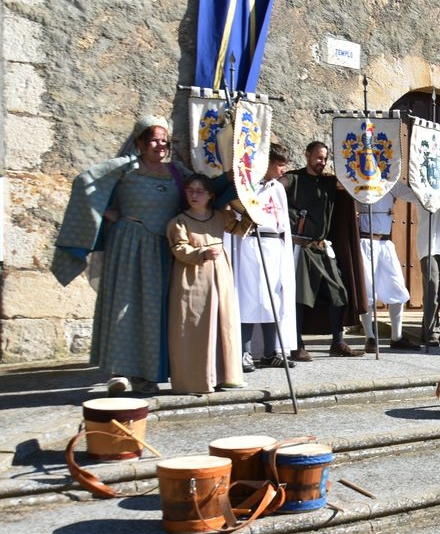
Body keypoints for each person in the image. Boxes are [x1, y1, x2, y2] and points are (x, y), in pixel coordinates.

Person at [53, 115, 186, 396]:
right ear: (140, 142)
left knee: (155, 311)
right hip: (129, 244)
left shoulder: (177, 172)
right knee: (124, 306)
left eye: (165, 141)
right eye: (154, 140)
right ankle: (120, 372)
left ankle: (146, 375)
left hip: (163, 249)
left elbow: (204, 188)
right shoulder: (125, 167)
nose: (160, 146)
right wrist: (108, 213)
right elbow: (85, 182)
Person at [284, 141, 367, 360]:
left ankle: (337, 343)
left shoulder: (329, 182)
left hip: (322, 248)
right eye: (318, 157)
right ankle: (296, 345)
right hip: (301, 248)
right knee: (300, 298)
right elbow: (275, 190)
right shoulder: (294, 179)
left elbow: (353, 185)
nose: (322, 162)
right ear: (307, 155)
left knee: (339, 294)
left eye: (325, 158)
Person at [166, 175, 243, 394]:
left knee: (222, 323)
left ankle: (225, 375)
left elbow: (240, 229)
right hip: (193, 277)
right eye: (190, 190)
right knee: (195, 325)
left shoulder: (220, 216)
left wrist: (251, 213)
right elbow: (179, 248)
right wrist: (201, 253)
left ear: (210, 195)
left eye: (199, 191)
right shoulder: (179, 222)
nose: (194, 195)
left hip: (220, 275)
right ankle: (195, 380)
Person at [227, 142, 296, 370]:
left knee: (272, 299)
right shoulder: (246, 185)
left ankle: (271, 351)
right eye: (279, 165)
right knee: (248, 297)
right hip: (250, 242)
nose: (283, 169)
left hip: (274, 245)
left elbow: (282, 220)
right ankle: (244, 352)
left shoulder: (277, 188)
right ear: (266, 163)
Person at [394, 172, 440, 347]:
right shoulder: (426, 193)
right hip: (429, 246)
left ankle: (431, 330)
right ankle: (430, 332)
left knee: (437, 290)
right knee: (432, 289)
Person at [358, 186, 415, 352]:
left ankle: (396, 337)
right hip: (365, 241)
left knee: (397, 288)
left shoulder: (391, 182)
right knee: (367, 291)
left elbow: (415, 195)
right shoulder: (357, 179)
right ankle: (370, 338)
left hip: (385, 243)